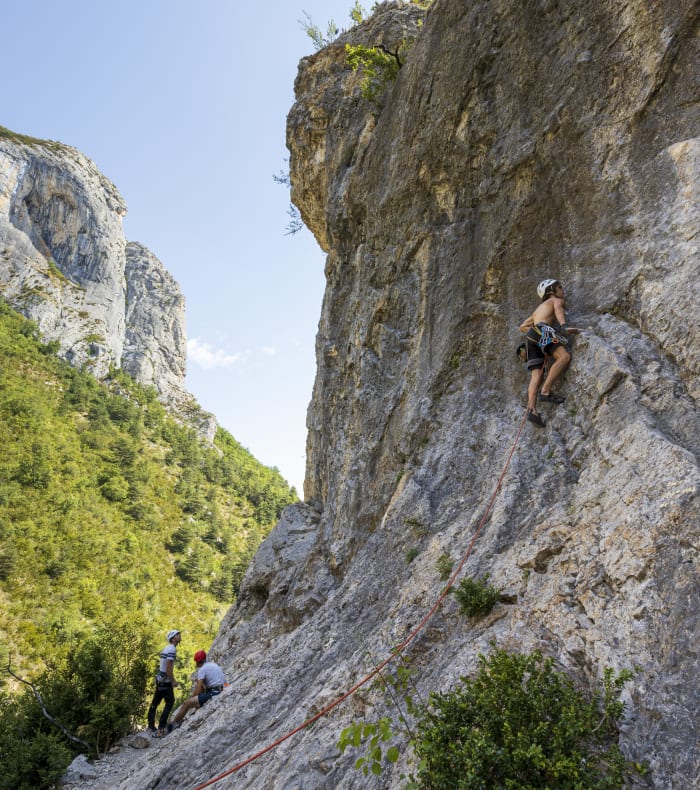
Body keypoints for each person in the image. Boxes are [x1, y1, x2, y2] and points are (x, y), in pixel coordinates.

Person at [519, 279, 580, 427]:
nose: (562, 290)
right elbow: (558, 310)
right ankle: (545, 391)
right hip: (543, 330)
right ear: (551, 291)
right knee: (564, 357)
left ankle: (532, 410)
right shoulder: (555, 300)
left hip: (531, 336)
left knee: (536, 375)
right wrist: (563, 327)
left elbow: (523, 326)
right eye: (559, 287)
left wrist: (539, 337)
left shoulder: (538, 310)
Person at [167, 650, 227, 732]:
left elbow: (198, 689)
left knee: (186, 703)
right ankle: (196, 706)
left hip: (214, 693)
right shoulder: (213, 664)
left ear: (198, 662)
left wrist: (190, 700)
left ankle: (173, 725)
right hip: (223, 689)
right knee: (200, 689)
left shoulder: (202, 669)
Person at [147, 629, 181, 737]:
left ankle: (151, 725)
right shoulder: (172, 649)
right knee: (170, 701)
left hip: (160, 679)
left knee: (155, 702)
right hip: (165, 681)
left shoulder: (167, 648)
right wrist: (173, 681)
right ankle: (161, 726)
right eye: (177, 634)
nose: (179, 635)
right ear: (173, 638)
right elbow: (168, 668)